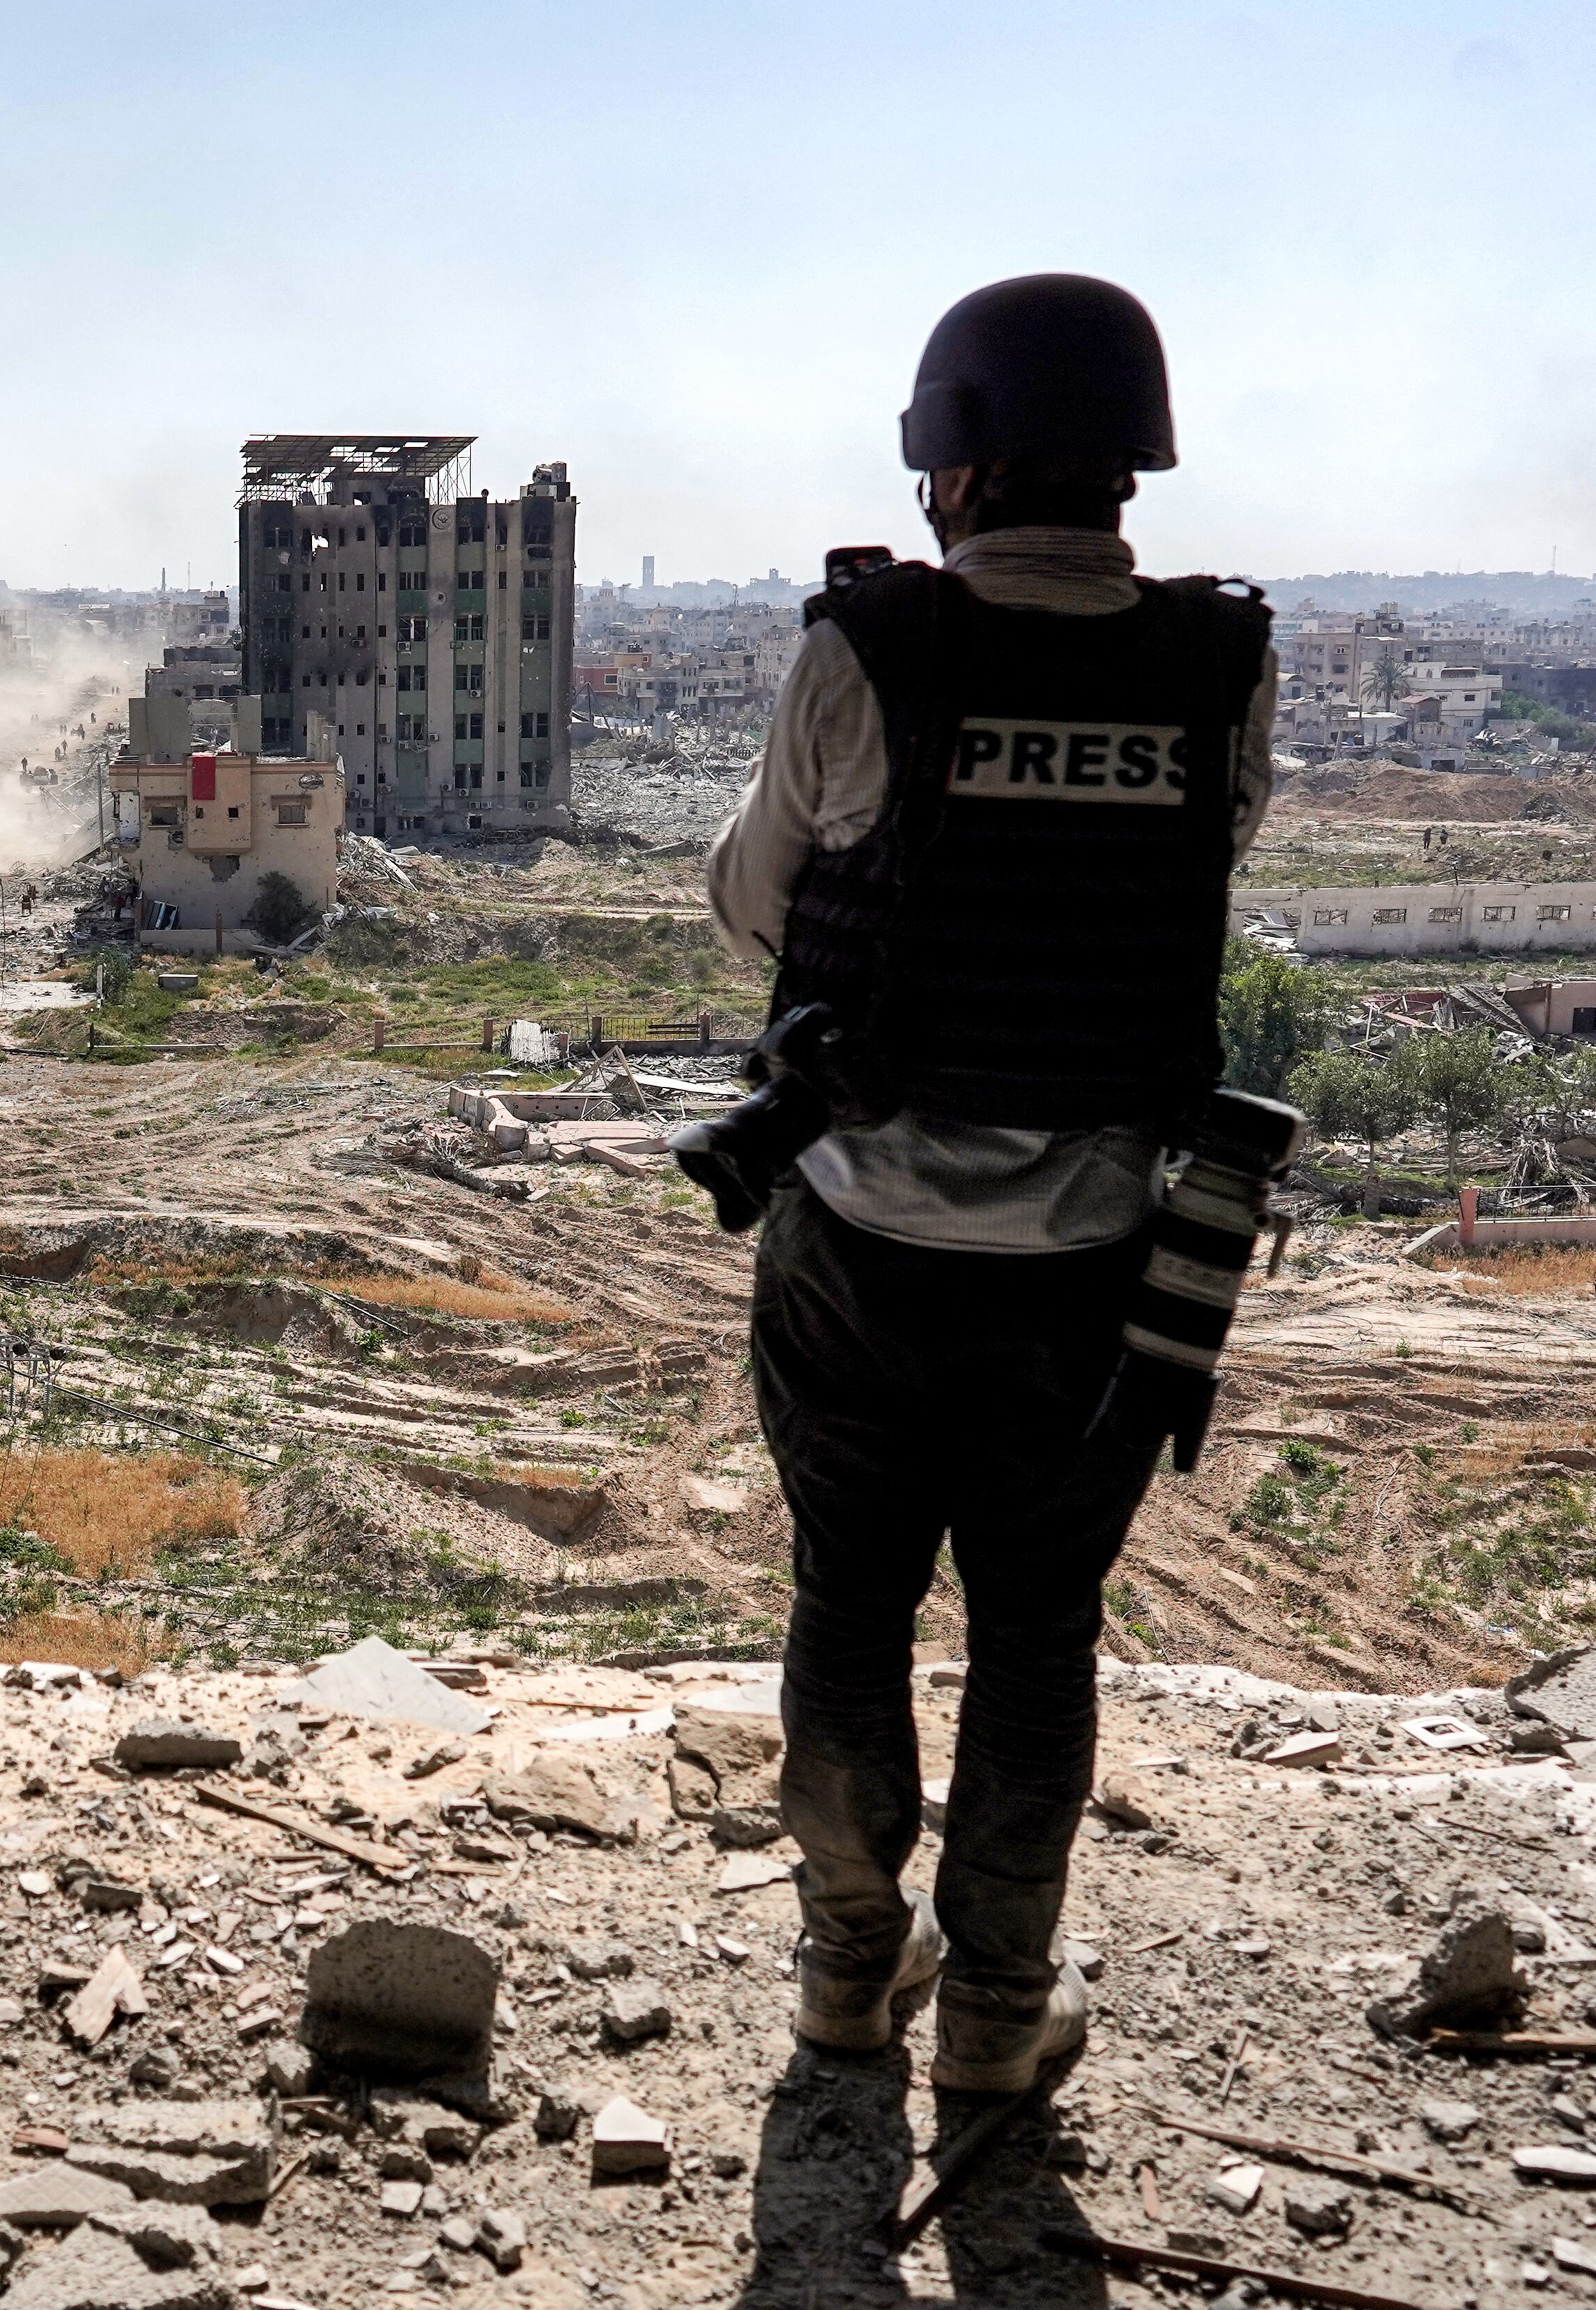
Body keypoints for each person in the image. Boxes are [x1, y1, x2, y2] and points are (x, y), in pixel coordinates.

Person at [701, 274, 1275, 2096]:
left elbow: (752, 903)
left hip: (859, 1240)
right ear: (1130, 466)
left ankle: (845, 1970)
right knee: (1040, 1631)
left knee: (848, 1604)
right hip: (1101, 1265)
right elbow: (1187, 880)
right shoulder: (1218, 665)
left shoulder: (865, 646)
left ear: (951, 462)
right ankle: (1000, 2014)